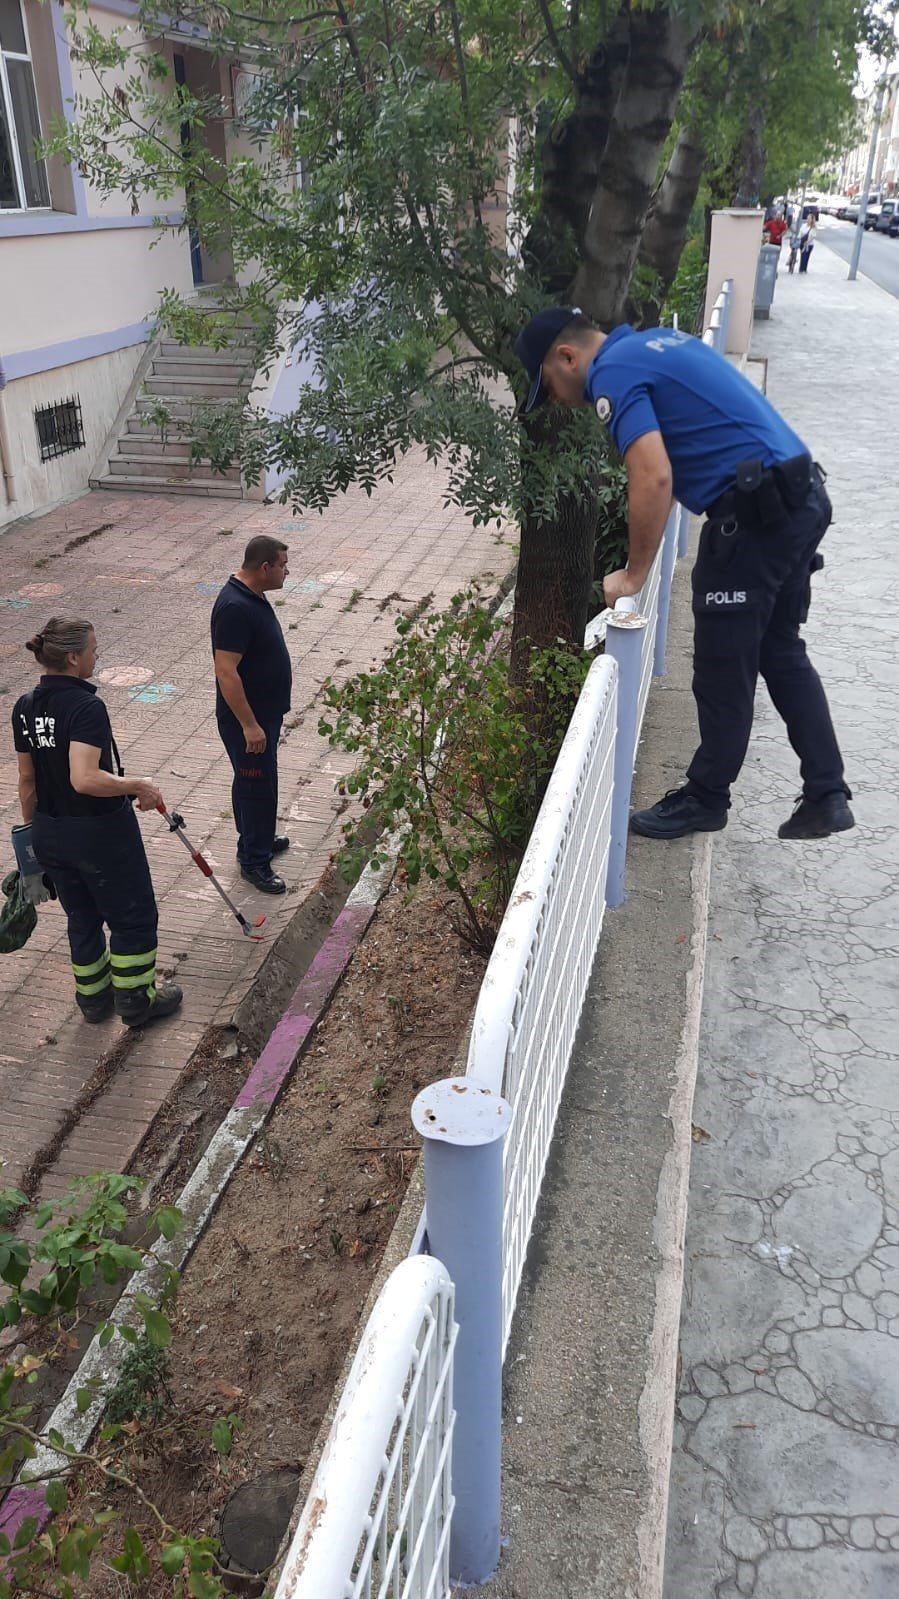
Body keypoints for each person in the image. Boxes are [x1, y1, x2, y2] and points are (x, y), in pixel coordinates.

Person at [513, 308, 854, 841]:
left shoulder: (612, 374)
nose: (554, 396)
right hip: (801, 497)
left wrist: (632, 574)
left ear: (567, 356)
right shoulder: (658, 344)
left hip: (754, 516)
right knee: (780, 650)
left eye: (548, 384)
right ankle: (827, 793)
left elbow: (653, 476)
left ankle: (706, 797)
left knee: (723, 664)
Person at [12, 618, 183, 1026]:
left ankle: (92, 999)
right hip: (99, 835)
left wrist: (36, 842)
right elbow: (84, 778)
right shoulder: (86, 708)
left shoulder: (25, 707)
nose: (97, 653)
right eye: (93, 648)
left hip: (50, 831)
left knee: (82, 916)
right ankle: (136, 1000)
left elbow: (26, 781)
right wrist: (138, 785)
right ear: (73, 658)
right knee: (132, 916)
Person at [211, 535, 292, 894]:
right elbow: (226, 671)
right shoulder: (234, 607)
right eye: (283, 565)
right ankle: (254, 862)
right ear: (265, 567)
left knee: (251, 781)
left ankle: (255, 839)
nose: (287, 572)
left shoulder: (250, 596)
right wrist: (249, 725)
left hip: (263, 717)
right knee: (257, 785)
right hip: (249, 722)